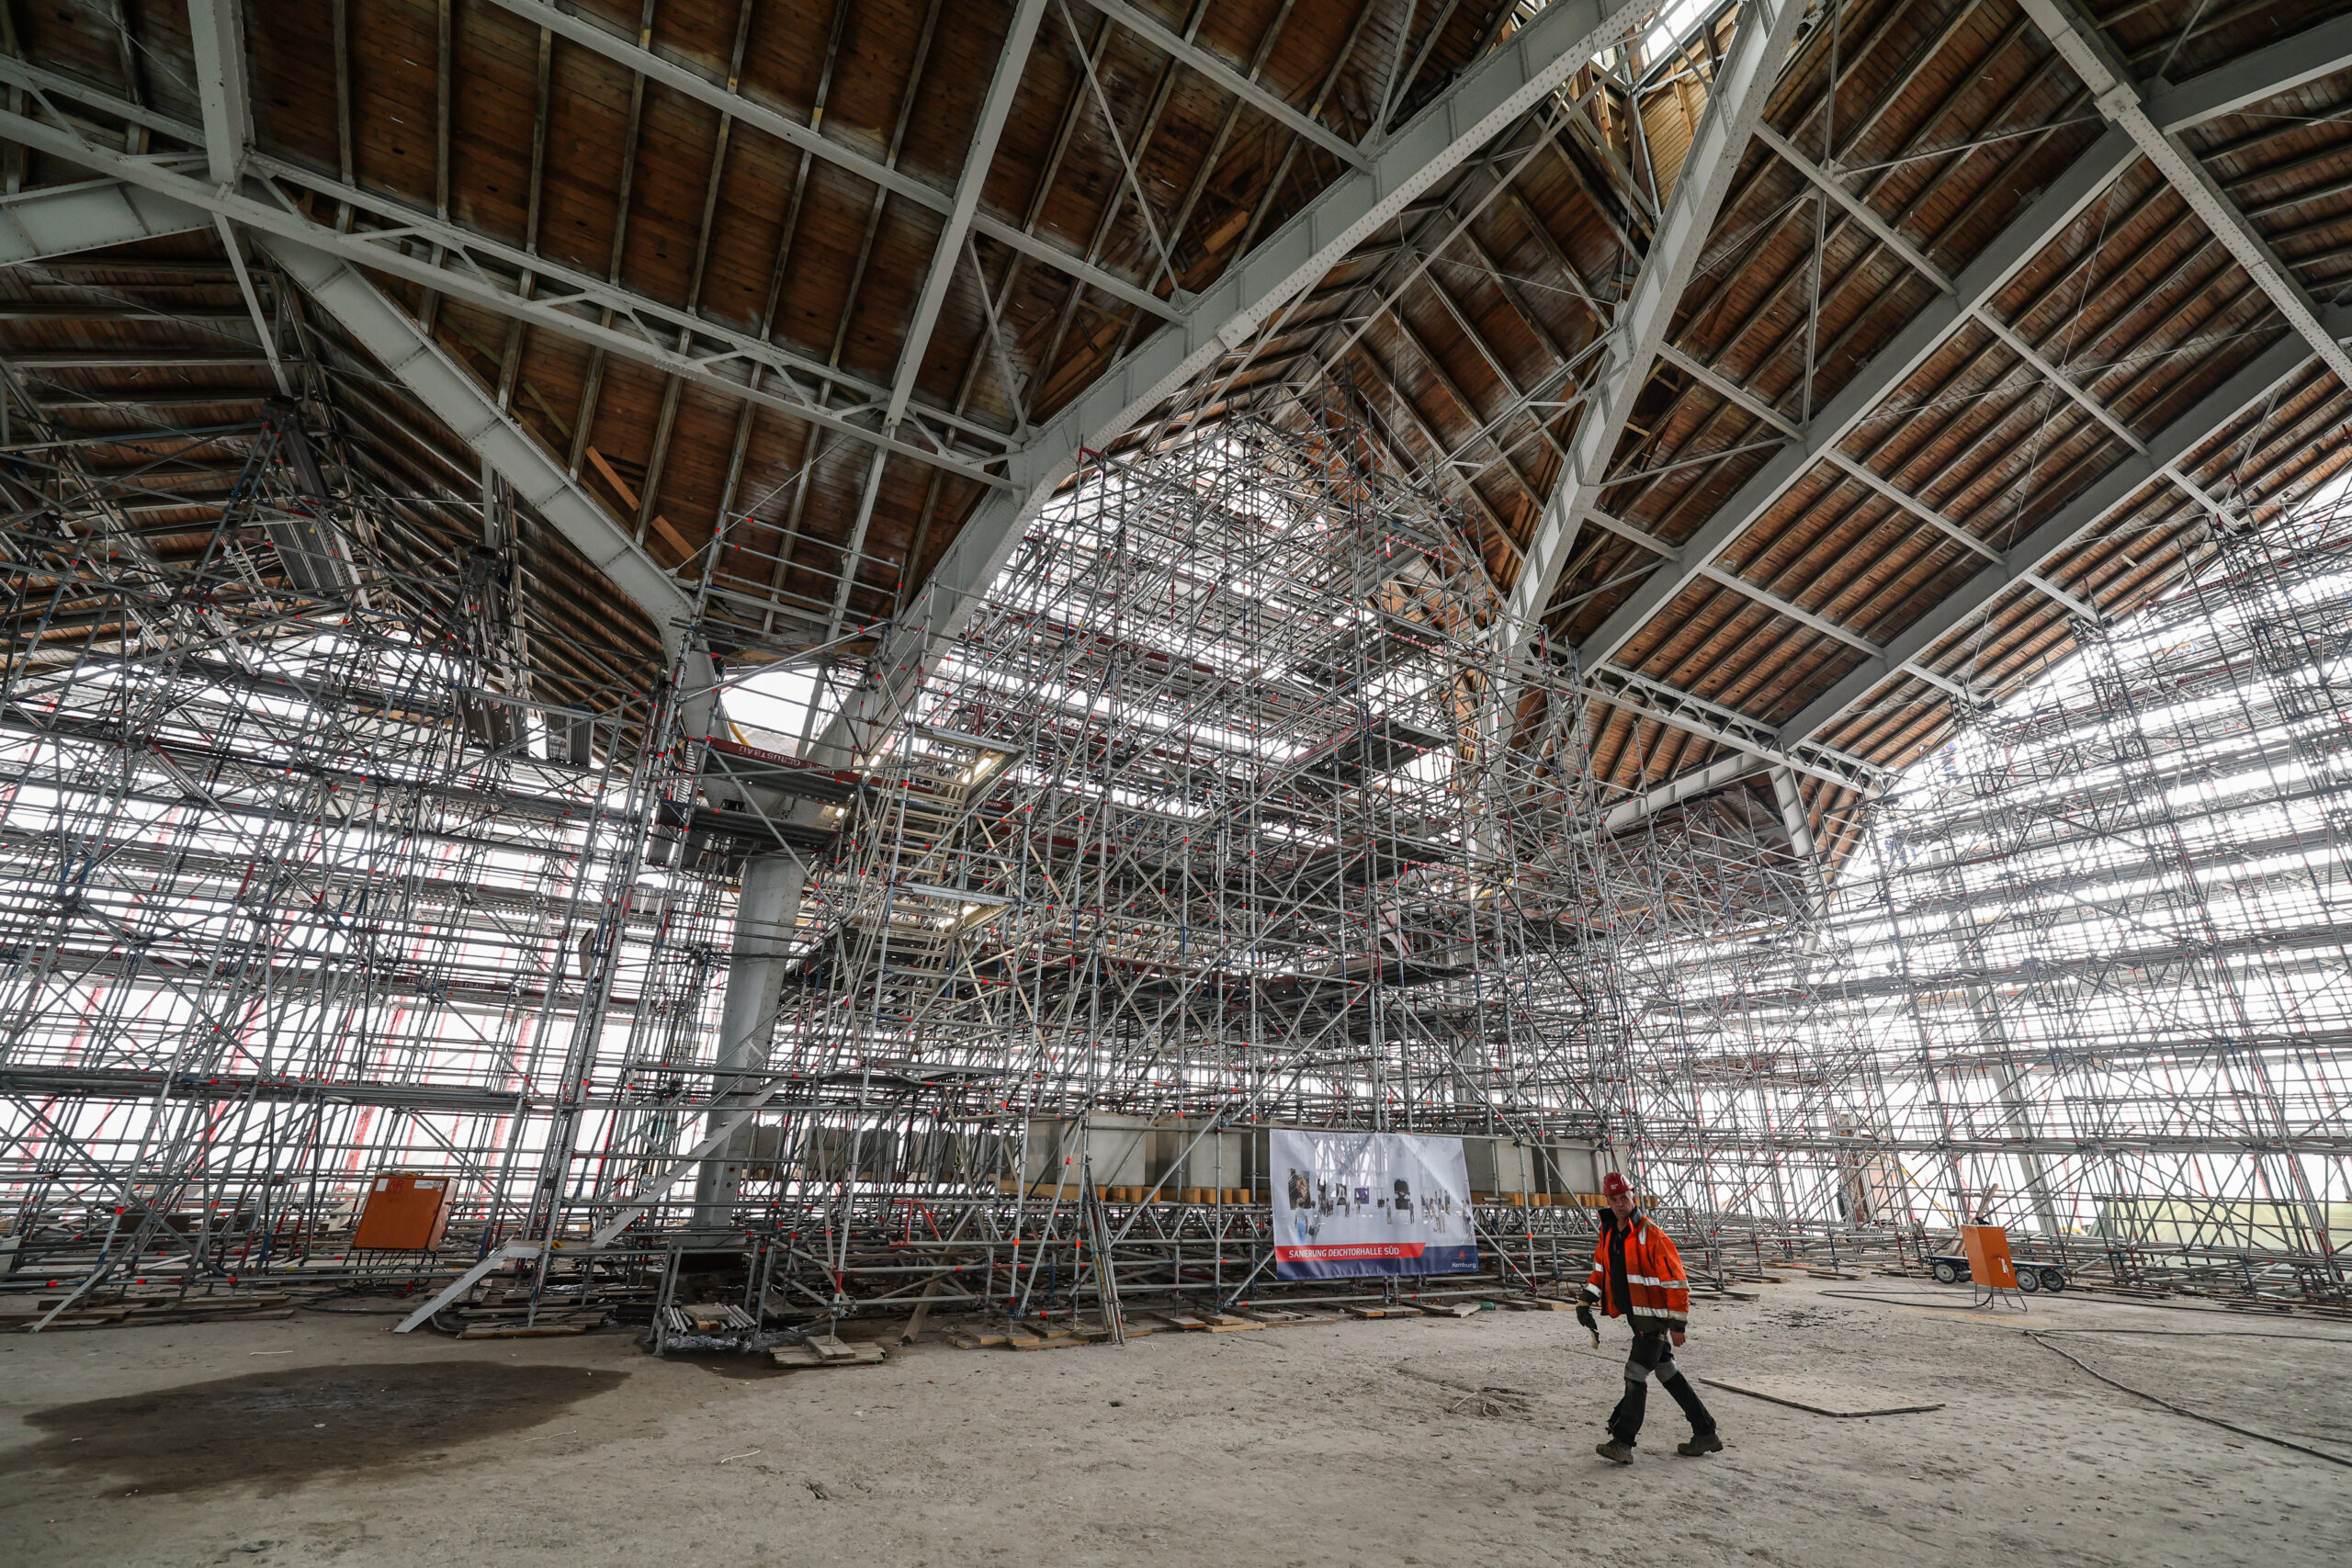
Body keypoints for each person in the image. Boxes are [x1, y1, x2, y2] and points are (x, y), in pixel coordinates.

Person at [1577, 1170, 1721, 1462]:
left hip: (1654, 1321)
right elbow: (1601, 1271)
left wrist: (1677, 1324)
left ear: (1634, 1197)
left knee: (1634, 1373)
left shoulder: (1651, 1234)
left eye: (1624, 1198)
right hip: (1636, 1317)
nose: (1620, 1203)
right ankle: (1705, 1432)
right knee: (1667, 1372)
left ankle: (1622, 1442)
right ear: (1608, 1200)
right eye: (1614, 1199)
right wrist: (1585, 1300)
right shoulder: (1609, 1233)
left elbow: (1677, 1282)